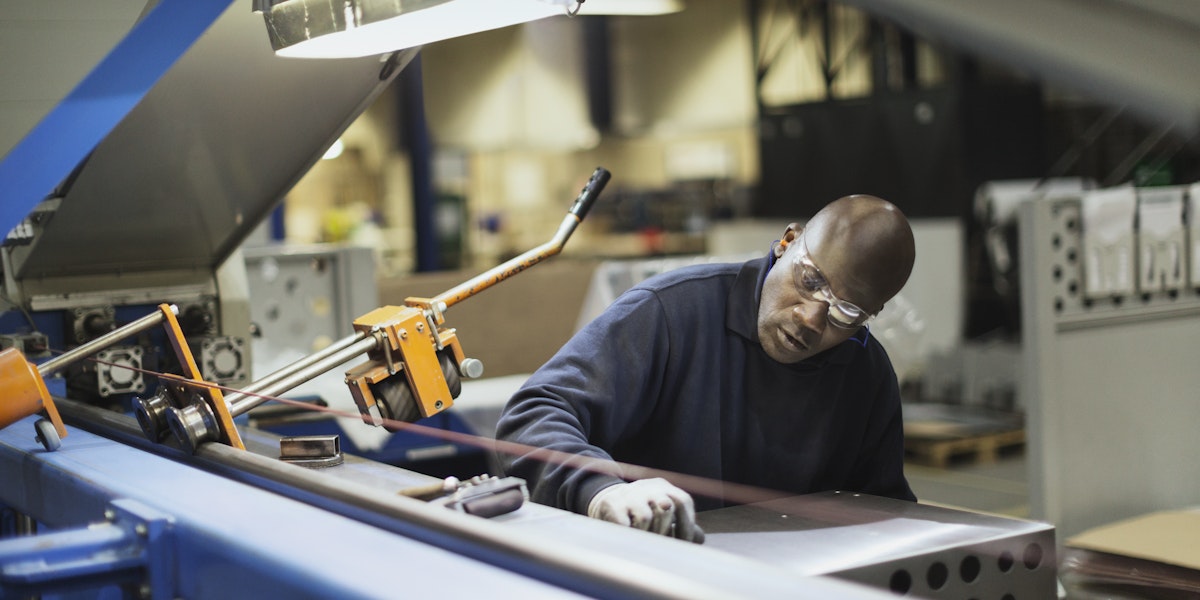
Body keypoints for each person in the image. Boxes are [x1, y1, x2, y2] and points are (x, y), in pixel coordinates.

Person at [495, 194, 917, 543]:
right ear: (787, 243)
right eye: (809, 281)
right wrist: (599, 489)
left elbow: (884, 512)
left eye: (845, 313)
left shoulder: (866, 374)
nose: (811, 318)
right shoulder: (669, 313)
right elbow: (534, 414)